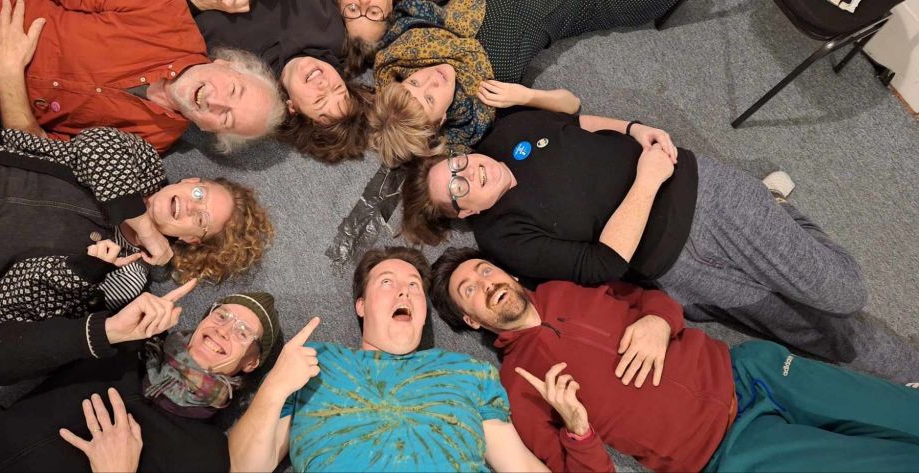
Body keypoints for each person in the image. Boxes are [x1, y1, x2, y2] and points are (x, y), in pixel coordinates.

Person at [401, 108, 919, 383]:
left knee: (843, 292)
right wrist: (646, 180)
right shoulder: (503, 239)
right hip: (679, 269)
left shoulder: (506, 133)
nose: (471, 171)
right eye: (458, 187)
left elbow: (577, 121)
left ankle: (773, 210)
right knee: (808, 329)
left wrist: (634, 128)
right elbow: (602, 264)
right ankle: (910, 371)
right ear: (464, 213)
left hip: (700, 193)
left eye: (458, 164)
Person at [429, 248, 919, 472]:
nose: (485, 283)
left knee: (897, 410)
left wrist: (659, 322)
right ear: (471, 320)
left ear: (509, 274)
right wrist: (578, 429)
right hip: (724, 451)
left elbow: (648, 297)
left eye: (485, 270)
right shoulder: (517, 386)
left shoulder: (563, 287)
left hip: (748, 369)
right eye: (468, 290)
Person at [0, 119, 274, 357]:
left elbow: (14, 304)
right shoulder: (143, 164)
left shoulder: (129, 279)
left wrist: (86, 268)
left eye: (201, 219)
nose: (191, 206)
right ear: (190, 180)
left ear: (192, 240)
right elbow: (96, 144)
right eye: (199, 194)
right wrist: (144, 227)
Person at [227, 246, 549, 472]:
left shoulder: (469, 372)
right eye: (386, 282)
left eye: (414, 285)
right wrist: (274, 386)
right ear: (361, 305)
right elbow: (243, 468)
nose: (404, 291)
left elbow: (520, 466)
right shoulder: (313, 364)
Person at [0, 286, 283, 472]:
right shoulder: (125, 344)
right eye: (222, 315)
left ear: (251, 363)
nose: (223, 329)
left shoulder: (205, 455)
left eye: (243, 332)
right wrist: (106, 331)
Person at [0, 0, 284, 154]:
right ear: (227, 64)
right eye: (234, 91)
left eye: (226, 118)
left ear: (210, 130)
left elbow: (35, 152)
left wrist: (9, 73)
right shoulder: (163, 13)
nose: (216, 101)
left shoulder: (147, 144)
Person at [368, 0, 680, 166]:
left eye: (414, 83)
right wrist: (524, 96)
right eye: (429, 99)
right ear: (439, 121)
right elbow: (571, 105)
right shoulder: (483, 113)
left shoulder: (408, 47)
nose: (431, 79)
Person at [191, 0, 373, 162]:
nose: (324, 84)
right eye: (338, 87)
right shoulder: (333, 34)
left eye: (319, 100)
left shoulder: (241, 84)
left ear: (293, 108)